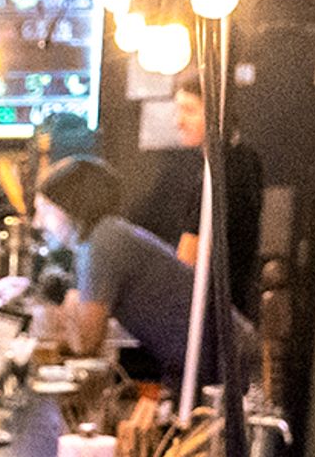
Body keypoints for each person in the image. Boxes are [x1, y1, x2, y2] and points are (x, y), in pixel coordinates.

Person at [36, 155, 239, 388]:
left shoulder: (102, 242)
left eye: (44, 210)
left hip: (225, 364)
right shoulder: (103, 236)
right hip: (212, 361)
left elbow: (86, 341)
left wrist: (48, 319)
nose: (38, 223)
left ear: (69, 207)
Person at [130, 74, 266, 303]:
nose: (178, 122)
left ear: (217, 113)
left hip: (211, 311)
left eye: (189, 110)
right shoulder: (245, 158)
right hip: (235, 304)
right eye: (178, 110)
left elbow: (187, 262)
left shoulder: (219, 174)